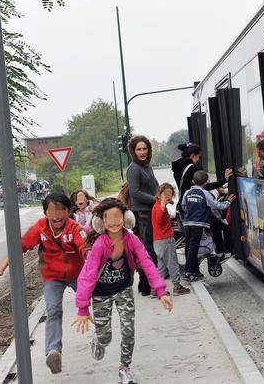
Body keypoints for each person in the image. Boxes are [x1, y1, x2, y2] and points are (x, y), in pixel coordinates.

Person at [73, 198, 173, 384]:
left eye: (117, 216)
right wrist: (82, 308)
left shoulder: (131, 239)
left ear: (126, 218)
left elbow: (146, 262)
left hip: (123, 289)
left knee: (128, 329)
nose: (113, 222)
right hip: (101, 293)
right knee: (106, 337)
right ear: (100, 221)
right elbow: (88, 275)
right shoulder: (100, 245)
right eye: (108, 218)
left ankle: (124, 368)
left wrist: (161, 291)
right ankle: (98, 338)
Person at [0, 193, 88, 375]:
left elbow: (85, 248)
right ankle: (53, 351)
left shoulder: (75, 228)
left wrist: (92, 262)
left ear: (68, 211)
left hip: (78, 275)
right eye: (51, 211)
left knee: (98, 301)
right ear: (45, 213)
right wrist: (1, 267)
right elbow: (20, 247)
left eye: (61, 210)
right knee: (53, 309)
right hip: (53, 277)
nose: (56, 215)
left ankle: (101, 337)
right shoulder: (41, 228)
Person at [181, 170, 235, 281]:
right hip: (199, 224)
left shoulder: (187, 192)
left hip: (187, 223)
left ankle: (191, 270)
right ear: (206, 182)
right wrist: (228, 202)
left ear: (192, 181)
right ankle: (189, 271)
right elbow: (217, 205)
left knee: (190, 245)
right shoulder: (205, 194)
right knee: (193, 247)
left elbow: (183, 205)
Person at [126, 134, 159, 296]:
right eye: (139, 149)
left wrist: (162, 195)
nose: (142, 152)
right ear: (133, 151)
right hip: (141, 214)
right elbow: (135, 192)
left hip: (151, 211)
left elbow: (155, 185)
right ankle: (149, 285)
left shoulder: (147, 167)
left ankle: (145, 285)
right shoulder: (133, 168)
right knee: (147, 249)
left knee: (150, 248)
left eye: (145, 148)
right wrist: (155, 199)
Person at [170, 142, 234, 216]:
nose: (199, 160)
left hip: (183, 207)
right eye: (199, 157)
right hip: (194, 208)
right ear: (193, 155)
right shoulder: (192, 168)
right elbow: (205, 186)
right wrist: (224, 180)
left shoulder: (178, 168)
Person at [151, 183, 190, 295]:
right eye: (166, 193)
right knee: (172, 263)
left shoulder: (156, 205)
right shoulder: (160, 207)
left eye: (170, 193)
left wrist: (166, 202)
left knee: (162, 267)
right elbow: (160, 217)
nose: (169, 196)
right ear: (160, 194)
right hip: (166, 239)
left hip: (157, 240)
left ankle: (155, 289)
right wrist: (164, 204)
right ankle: (177, 286)